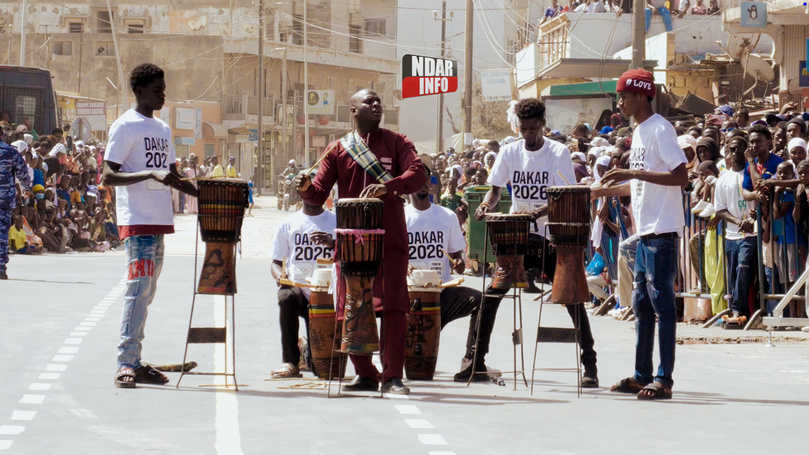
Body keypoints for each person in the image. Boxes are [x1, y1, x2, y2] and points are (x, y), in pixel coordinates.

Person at [295, 88, 425, 395]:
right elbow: (317, 195)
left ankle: (392, 377)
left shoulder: (398, 142)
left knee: (393, 307)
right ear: (353, 110)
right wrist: (304, 187)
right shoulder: (338, 149)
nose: (376, 104)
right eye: (369, 101)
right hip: (351, 243)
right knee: (350, 306)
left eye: (378, 101)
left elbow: (418, 175)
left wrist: (389, 187)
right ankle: (365, 374)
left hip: (390, 239)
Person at [474, 98, 600, 388]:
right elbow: (495, 191)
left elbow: (563, 195)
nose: (528, 134)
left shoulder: (557, 152)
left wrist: (538, 213)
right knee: (492, 295)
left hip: (550, 235)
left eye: (533, 128)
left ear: (543, 125)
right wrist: (484, 205)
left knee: (571, 298)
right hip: (518, 234)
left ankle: (590, 364)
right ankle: (475, 359)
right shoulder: (510, 151)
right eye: (523, 129)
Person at [102, 63, 198, 389]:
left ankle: (135, 360)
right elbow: (108, 175)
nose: (163, 95)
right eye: (157, 90)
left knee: (147, 293)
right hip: (137, 221)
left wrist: (209, 195)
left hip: (159, 222)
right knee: (137, 290)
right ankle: (125, 363)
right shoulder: (125, 126)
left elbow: (173, 177)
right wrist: (148, 174)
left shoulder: (163, 129)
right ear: (140, 90)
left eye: (164, 89)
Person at [599, 68, 688, 400]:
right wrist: (601, 191)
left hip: (662, 229)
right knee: (641, 304)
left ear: (641, 95)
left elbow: (680, 176)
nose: (620, 103)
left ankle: (664, 379)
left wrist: (631, 172)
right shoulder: (638, 132)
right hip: (645, 232)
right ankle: (641, 375)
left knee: (662, 304)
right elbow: (640, 183)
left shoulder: (660, 129)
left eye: (624, 96)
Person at [406, 171, 502, 381]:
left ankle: (472, 362)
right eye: (417, 179)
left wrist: (458, 264)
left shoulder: (446, 216)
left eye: (426, 179)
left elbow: (457, 257)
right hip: (410, 296)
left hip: (442, 294)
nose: (423, 183)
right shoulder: (401, 217)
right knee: (413, 359)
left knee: (482, 301)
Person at [270, 201, 336, 378]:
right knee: (285, 296)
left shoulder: (336, 221)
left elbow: (349, 252)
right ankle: (290, 362)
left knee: (322, 369)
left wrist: (332, 243)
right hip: (298, 291)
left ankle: (305, 349)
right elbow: (276, 263)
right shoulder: (287, 224)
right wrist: (280, 277)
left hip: (327, 294)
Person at [0, 131, 32, 280]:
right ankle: (0, 268)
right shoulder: (10, 151)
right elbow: (23, 172)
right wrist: (27, 187)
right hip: (4, 199)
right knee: (2, 233)